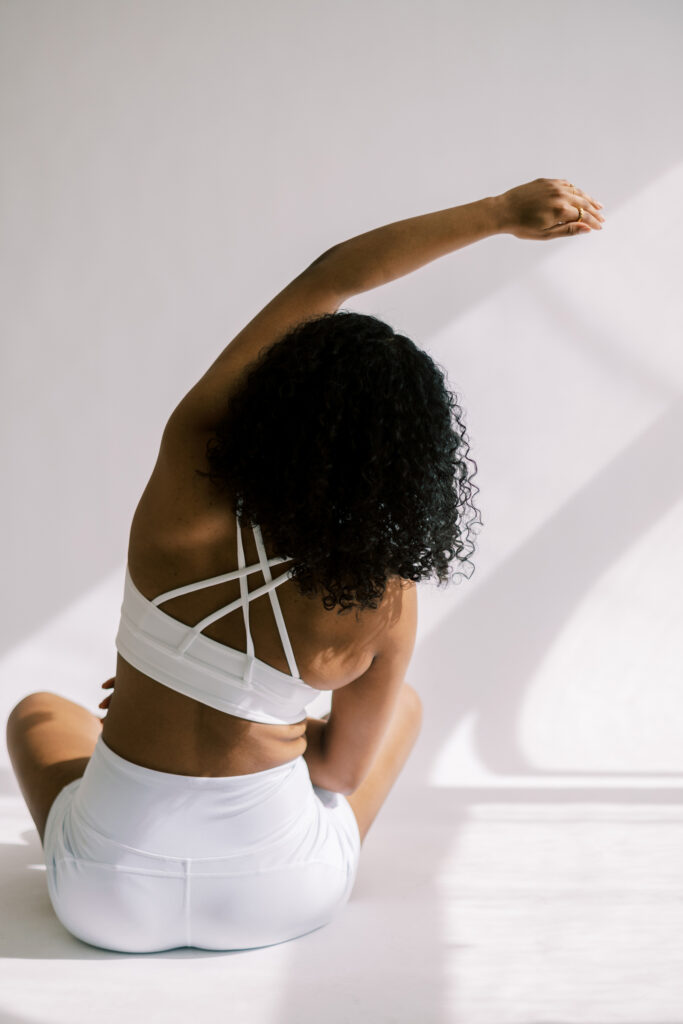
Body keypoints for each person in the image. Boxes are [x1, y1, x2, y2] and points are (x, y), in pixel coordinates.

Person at [6, 177, 604, 953]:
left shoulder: (183, 479)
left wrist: (496, 214)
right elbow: (334, 777)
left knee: (40, 712)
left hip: (104, 900)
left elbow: (332, 278)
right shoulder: (385, 595)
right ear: (409, 461)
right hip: (278, 898)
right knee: (405, 705)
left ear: (273, 400)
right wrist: (277, 719)